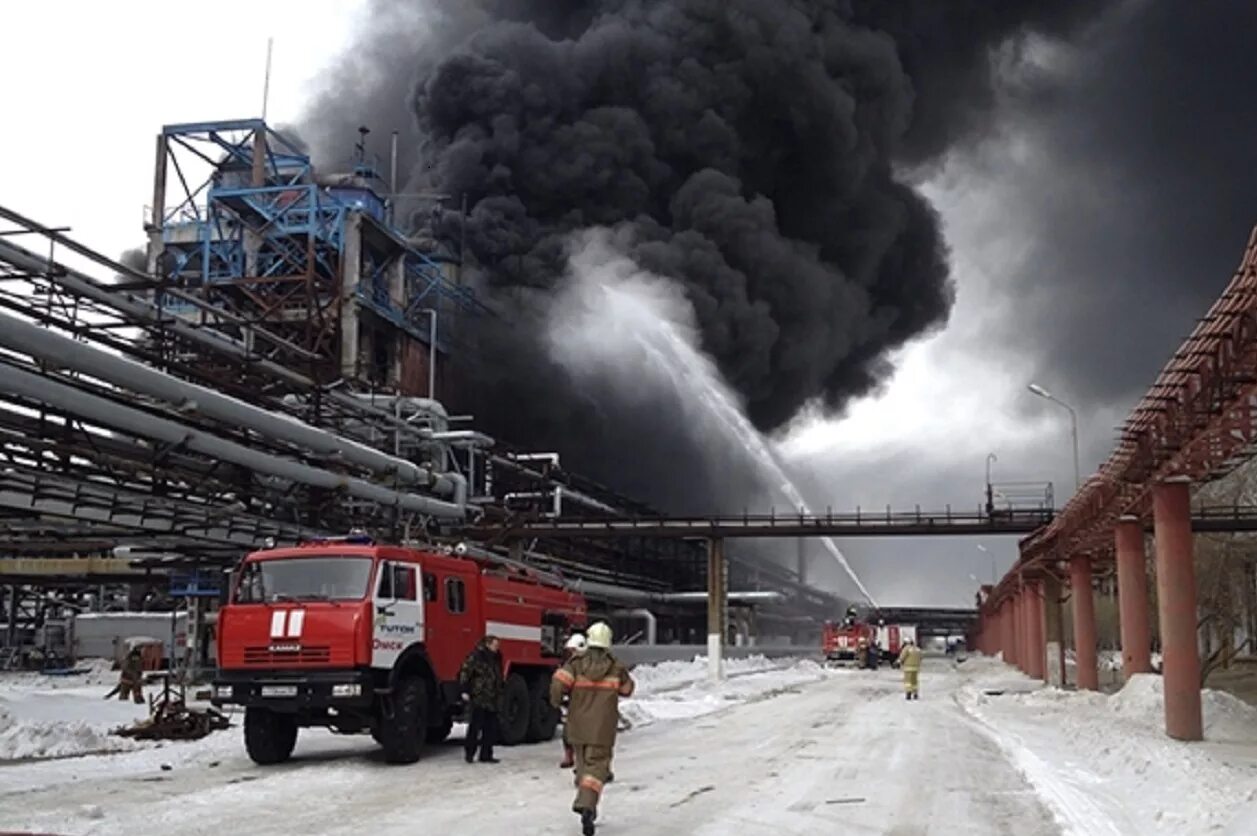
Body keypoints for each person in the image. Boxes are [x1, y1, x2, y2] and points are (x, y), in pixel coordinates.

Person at [550, 621, 634, 836]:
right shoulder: (616, 667)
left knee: (582, 767)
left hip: (577, 726)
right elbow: (627, 690)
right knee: (597, 769)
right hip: (602, 729)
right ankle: (587, 805)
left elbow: (558, 684)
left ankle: (588, 803)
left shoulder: (576, 664)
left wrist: (557, 702)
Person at [459, 634, 504, 763]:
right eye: (495, 645)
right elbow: (465, 672)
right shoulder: (476, 657)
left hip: (492, 697)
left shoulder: (496, 658)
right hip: (479, 696)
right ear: (488, 644)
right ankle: (469, 753)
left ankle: (486, 754)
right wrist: (464, 690)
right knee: (475, 727)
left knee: (490, 728)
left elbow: (498, 675)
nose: (497, 647)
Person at [558, 632, 587, 769]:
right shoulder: (568, 665)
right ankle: (569, 756)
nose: (571, 653)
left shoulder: (590, 664)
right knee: (568, 731)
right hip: (574, 701)